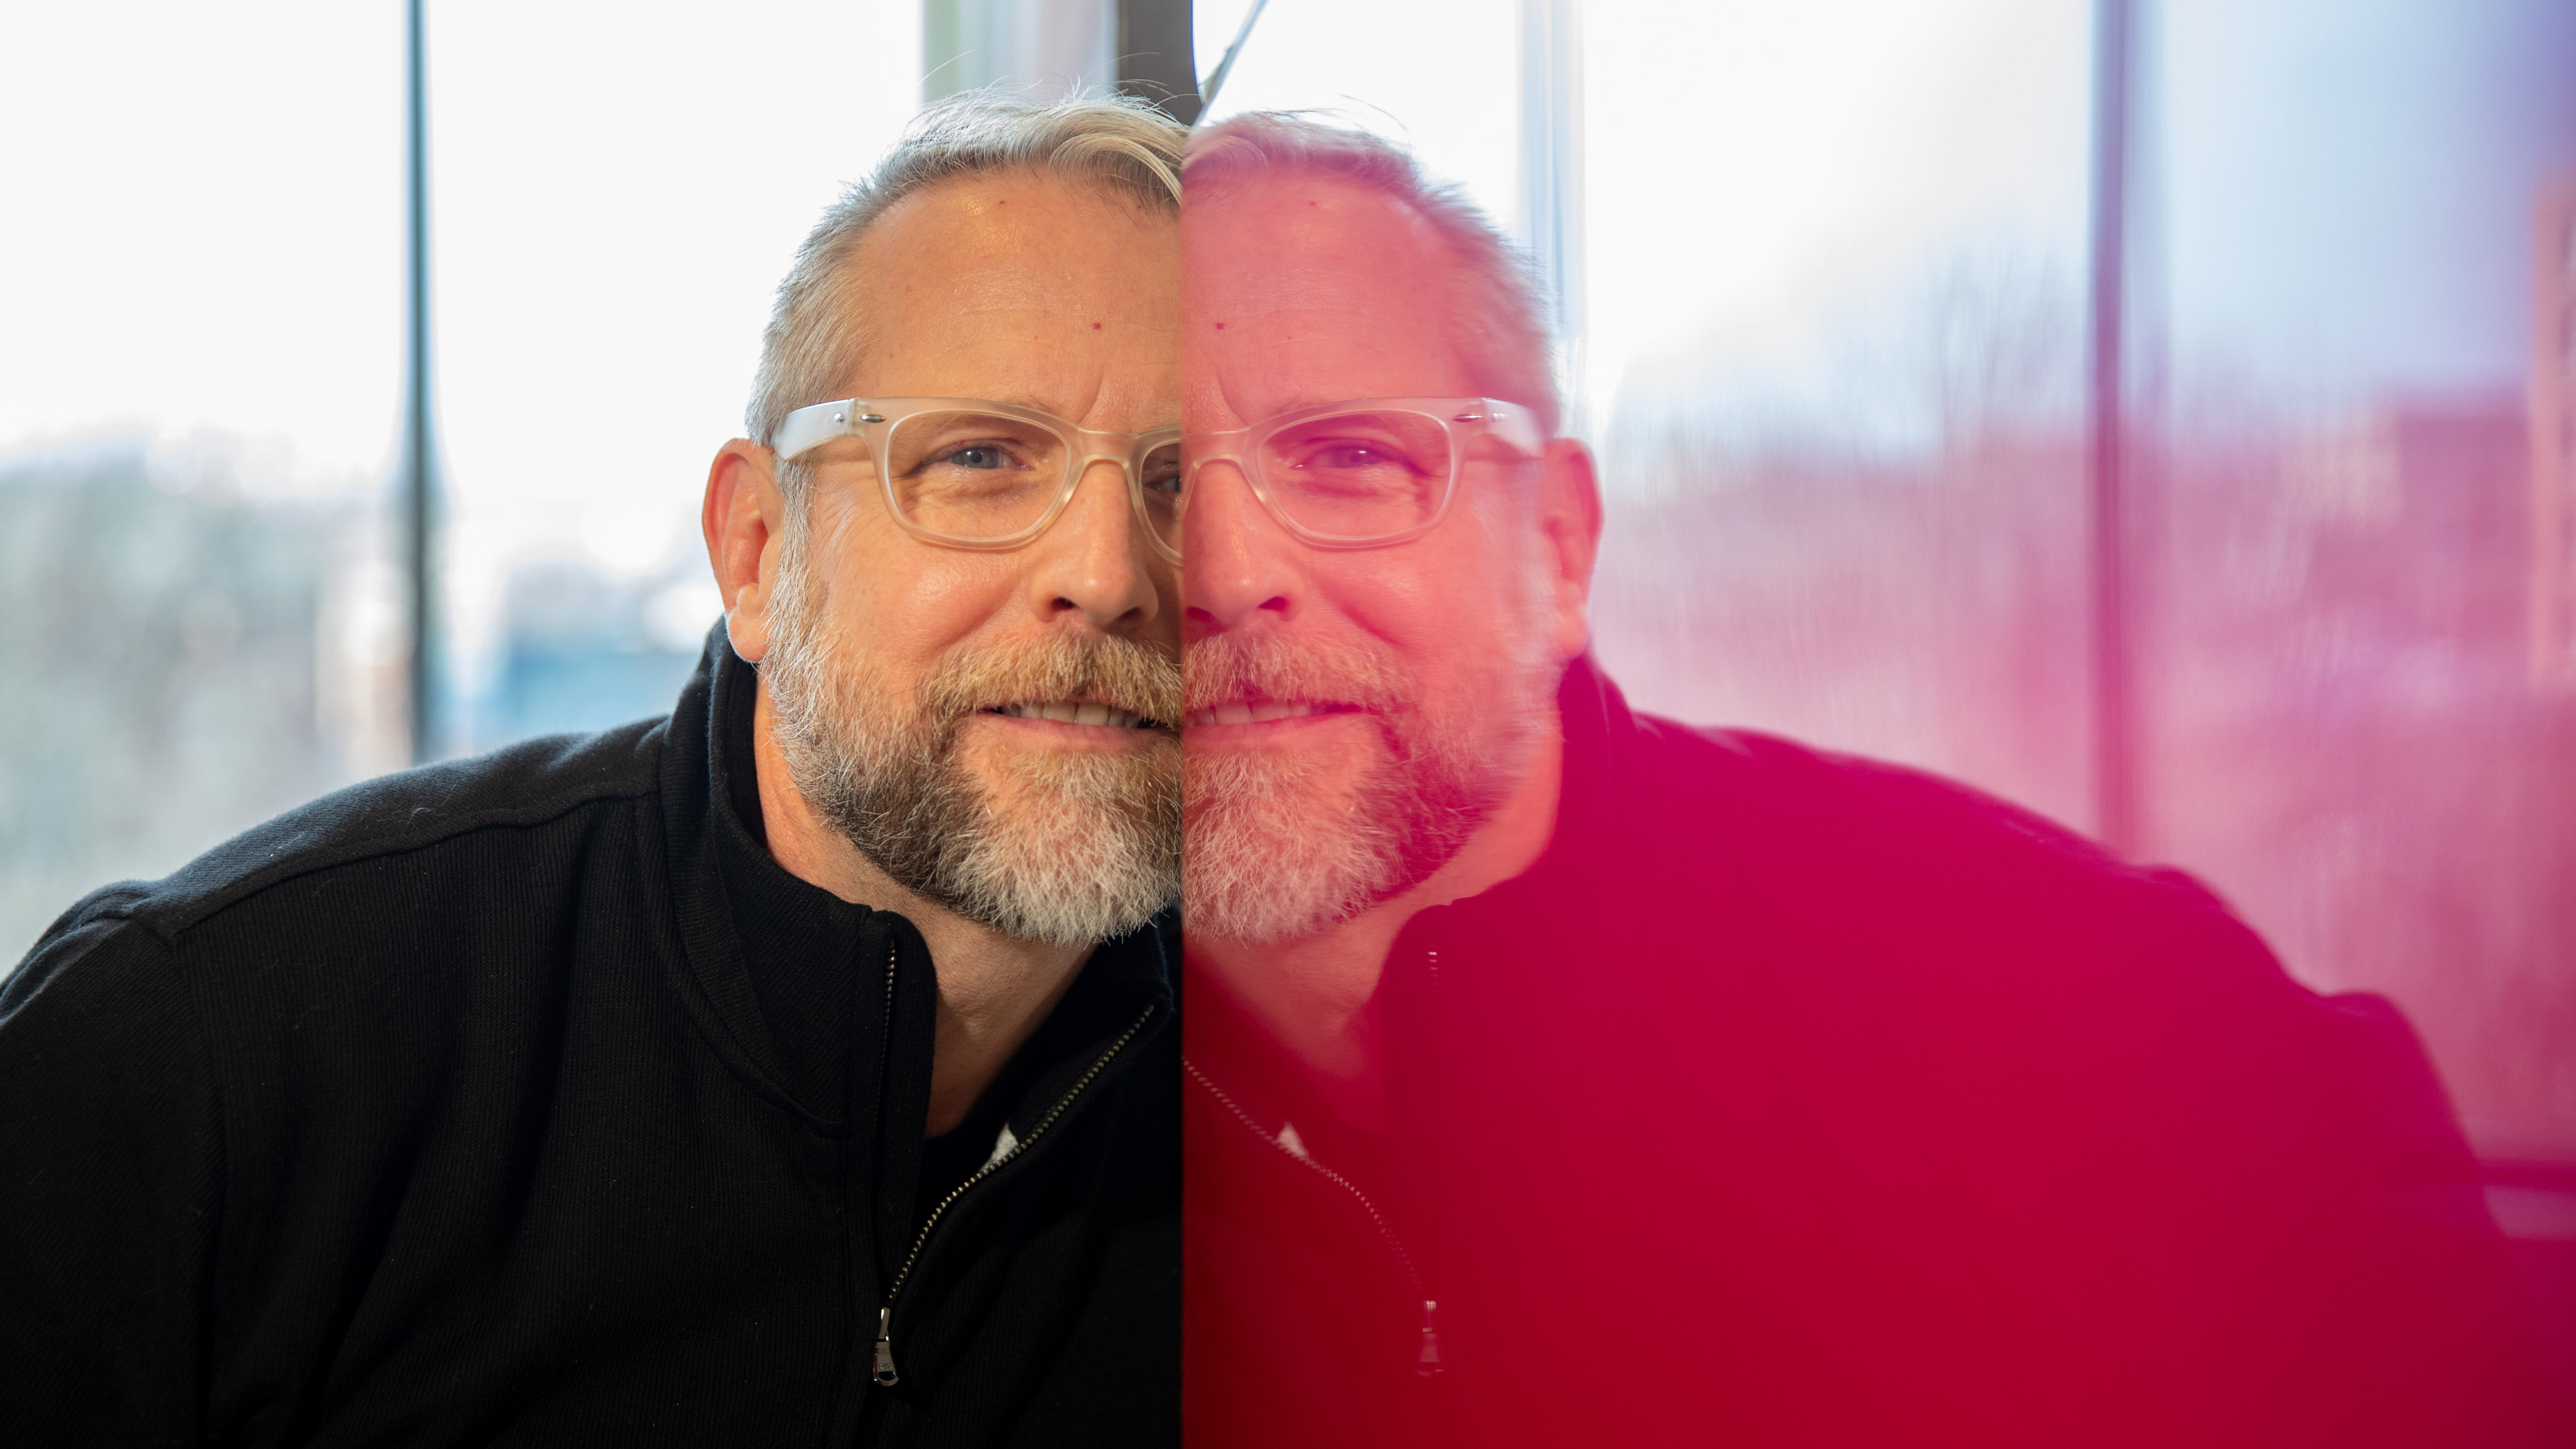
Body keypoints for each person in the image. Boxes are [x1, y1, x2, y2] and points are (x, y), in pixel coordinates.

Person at [1174, 114, 2572, 1448]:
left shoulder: (2097, 1021)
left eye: (1354, 456)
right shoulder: (1001, 1136)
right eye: (1149, 479)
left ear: (1556, 547)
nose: (1227, 575)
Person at [1, 94, 1186, 1448]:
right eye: (977, 458)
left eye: (1186, 481)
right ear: (755, 549)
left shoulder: (1326, 1158)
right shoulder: (205, 1056)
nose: (1106, 572)